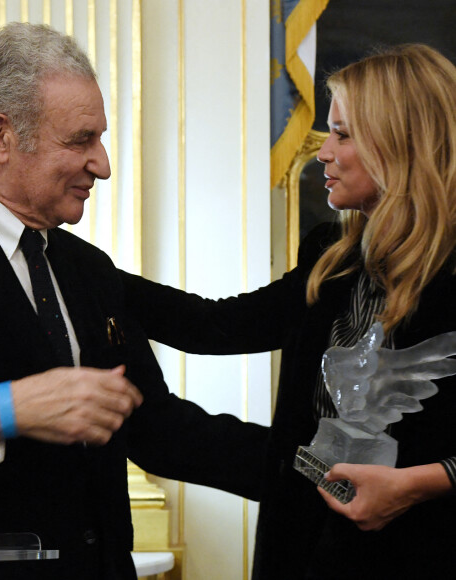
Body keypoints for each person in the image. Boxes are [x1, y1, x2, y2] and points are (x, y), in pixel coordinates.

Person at [0, 22, 267, 580]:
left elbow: (152, 424)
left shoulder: (87, 270)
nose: (102, 164)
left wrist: (314, 470)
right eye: (80, 140)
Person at [122, 44, 456, 579]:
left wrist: (424, 481)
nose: (323, 151)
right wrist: (77, 269)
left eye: (343, 134)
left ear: (403, 141)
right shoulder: (333, 257)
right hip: (305, 552)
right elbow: (216, 325)